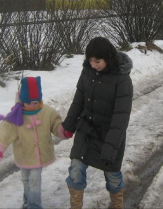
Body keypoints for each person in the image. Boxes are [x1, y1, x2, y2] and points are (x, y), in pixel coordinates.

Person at [62, 36, 134, 209]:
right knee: (75, 169)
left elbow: (120, 118)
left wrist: (111, 147)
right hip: (86, 130)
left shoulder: (122, 80)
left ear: (108, 58)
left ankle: (117, 205)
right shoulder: (87, 72)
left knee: (113, 176)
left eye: (97, 61)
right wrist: (68, 125)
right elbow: (78, 100)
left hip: (110, 134)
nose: (93, 64)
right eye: (90, 60)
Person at [0, 76, 71, 209]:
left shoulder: (47, 112)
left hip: (39, 155)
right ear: (22, 101)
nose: (32, 105)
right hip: (23, 154)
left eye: (35, 102)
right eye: (28, 103)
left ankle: (34, 205)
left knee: (35, 180)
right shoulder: (16, 114)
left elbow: (56, 125)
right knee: (26, 179)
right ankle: (27, 201)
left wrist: (63, 131)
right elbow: (5, 131)